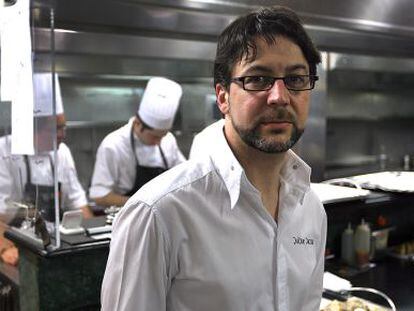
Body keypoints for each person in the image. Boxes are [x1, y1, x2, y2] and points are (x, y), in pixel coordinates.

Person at [101, 6, 327, 311]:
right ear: (223, 97)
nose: (279, 96)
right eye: (258, 79)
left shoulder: (311, 210)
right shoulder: (156, 215)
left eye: (296, 79)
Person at [0, 73, 92, 266]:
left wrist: (92, 240)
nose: (62, 135)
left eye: (63, 128)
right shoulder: (3, 151)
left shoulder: (62, 153)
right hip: (17, 249)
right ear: (31, 127)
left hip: (54, 248)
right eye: (56, 129)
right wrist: (6, 248)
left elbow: (78, 202)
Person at [89, 77, 185, 208]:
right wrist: (142, 205)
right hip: (127, 216)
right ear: (137, 123)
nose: (158, 142)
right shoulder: (113, 145)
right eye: (154, 137)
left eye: (162, 136)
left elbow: (184, 178)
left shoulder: (168, 140)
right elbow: (100, 195)